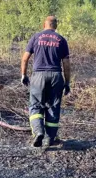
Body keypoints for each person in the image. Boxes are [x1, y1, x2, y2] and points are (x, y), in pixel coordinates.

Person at [21, 16, 71, 147]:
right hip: (56, 75)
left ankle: (38, 132)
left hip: (38, 76)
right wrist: (67, 82)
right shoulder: (61, 40)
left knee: (35, 105)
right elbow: (66, 63)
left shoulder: (36, 37)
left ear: (44, 24)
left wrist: (23, 75)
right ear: (56, 25)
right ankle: (50, 139)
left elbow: (25, 58)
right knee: (53, 107)